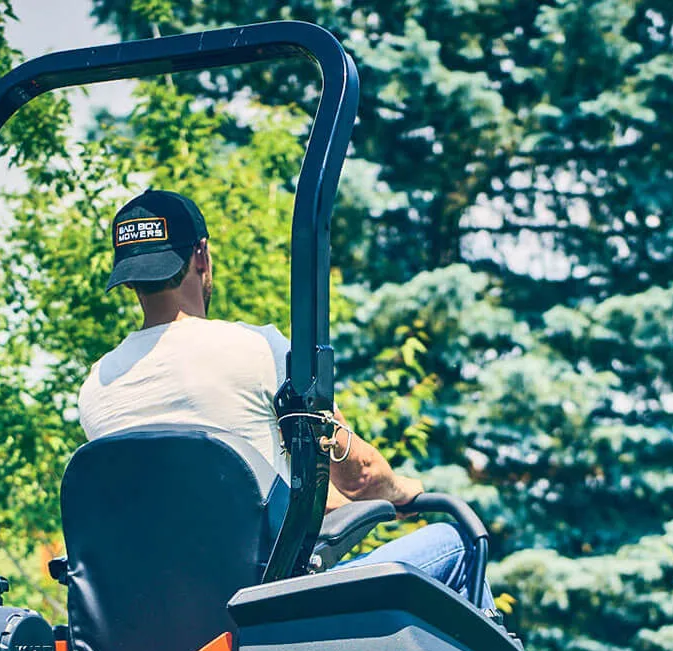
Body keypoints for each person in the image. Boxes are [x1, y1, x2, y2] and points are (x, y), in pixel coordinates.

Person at [75, 189, 488, 606]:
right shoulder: (259, 350)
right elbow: (358, 473)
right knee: (457, 543)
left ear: (127, 276)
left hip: (152, 621)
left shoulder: (96, 388)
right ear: (201, 255)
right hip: (265, 613)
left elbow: (193, 515)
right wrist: (401, 492)